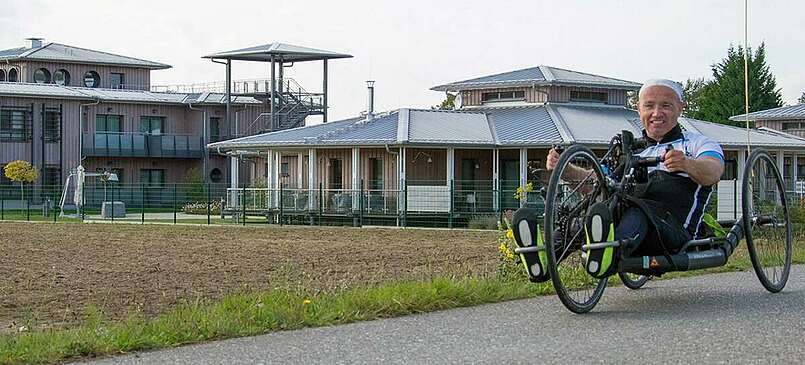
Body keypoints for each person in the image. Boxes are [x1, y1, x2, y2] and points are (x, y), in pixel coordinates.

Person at [547, 79, 724, 273]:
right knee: (582, 219)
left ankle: (609, 253)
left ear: (680, 108)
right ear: (638, 109)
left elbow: (714, 170)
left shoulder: (698, 144)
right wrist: (565, 169)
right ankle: (542, 260)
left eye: (666, 105)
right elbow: (595, 182)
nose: (657, 113)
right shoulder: (630, 151)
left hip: (670, 231)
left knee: (638, 210)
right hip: (628, 220)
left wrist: (688, 164)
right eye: (649, 106)